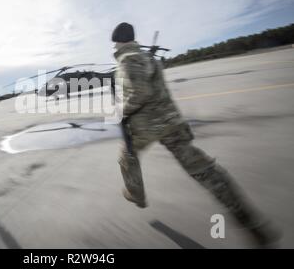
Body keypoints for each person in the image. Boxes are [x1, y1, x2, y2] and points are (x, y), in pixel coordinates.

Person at [112, 22, 280, 247]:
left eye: (115, 42)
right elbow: (150, 83)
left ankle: (137, 195)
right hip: (172, 123)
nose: (114, 46)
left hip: (146, 128)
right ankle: (248, 220)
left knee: (126, 158)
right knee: (204, 170)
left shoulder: (128, 58)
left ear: (119, 41)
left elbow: (140, 92)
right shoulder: (146, 57)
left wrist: (121, 111)